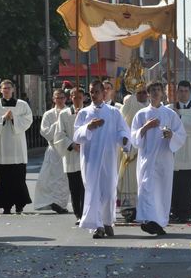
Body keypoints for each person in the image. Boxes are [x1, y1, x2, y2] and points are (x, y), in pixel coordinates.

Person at [73, 80, 130, 239]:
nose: (93, 95)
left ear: (103, 93)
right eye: (91, 92)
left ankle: (107, 221)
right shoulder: (84, 113)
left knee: (109, 192)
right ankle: (98, 226)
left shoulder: (113, 112)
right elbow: (76, 135)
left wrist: (124, 140)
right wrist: (89, 127)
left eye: (96, 91)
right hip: (91, 159)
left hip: (108, 158)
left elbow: (122, 131)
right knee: (94, 192)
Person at [131, 81, 185, 235]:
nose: (155, 92)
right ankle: (148, 220)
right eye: (152, 90)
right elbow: (134, 137)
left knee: (161, 190)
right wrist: (146, 127)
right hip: (147, 159)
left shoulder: (170, 114)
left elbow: (181, 134)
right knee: (146, 188)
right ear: (148, 93)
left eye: (158, 90)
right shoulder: (141, 114)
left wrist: (171, 135)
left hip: (164, 158)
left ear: (163, 93)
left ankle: (159, 220)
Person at [0, 79, 33, 214]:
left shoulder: (22, 105)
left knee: (18, 177)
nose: (6, 90)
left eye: (8, 88)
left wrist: (14, 119)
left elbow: (29, 119)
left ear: (13, 90)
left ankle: (20, 204)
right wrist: (3, 118)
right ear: (0, 90)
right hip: (0, 147)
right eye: (3, 88)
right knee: (2, 178)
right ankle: (5, 205)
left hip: (17, 146)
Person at [167, 80, 191, 224]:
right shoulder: (170, 108)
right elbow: (168, 127)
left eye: (186, 91)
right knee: (174, 184)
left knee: (188, 184)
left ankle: (186, 212)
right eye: (180, 91)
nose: (183, 94)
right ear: (177, 92)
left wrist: (180, 117)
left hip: (190, 150)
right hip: (174, 151)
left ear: (190, 92)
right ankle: (173, 210)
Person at [33, 89, 70, 214]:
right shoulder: (48, 115)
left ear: (66, 99)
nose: (59, 100)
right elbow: (45, 133)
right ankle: (52, 202)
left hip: (66, 150)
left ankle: (61, 203)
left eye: (62, 97)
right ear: (53, 99)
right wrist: (57, 123)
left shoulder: (70, 112)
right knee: (50, 178)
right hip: (53, 150)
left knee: (64, 179)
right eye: (57, 98)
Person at [117, 85, 149, 222]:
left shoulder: (150, 106)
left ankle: (144, 207)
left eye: (144, 92)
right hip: (131, 148)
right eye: (139, 92)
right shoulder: (131, 103)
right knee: (129, 179)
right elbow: (122, 119)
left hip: (146, 149)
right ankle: (128, 208)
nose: (142, 95)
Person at [54, 87, 86, 224]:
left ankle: (86, 213)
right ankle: (78, 214)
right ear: (70, 98)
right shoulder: (64, 114)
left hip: (86, 155)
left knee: (86, 186)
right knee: (75, 188)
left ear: (83, 98)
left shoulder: (88, 112)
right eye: (73, 96)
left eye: (79, 97)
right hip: (72, 155)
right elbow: (59, 134)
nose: (76, 99)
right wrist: (72, 145)